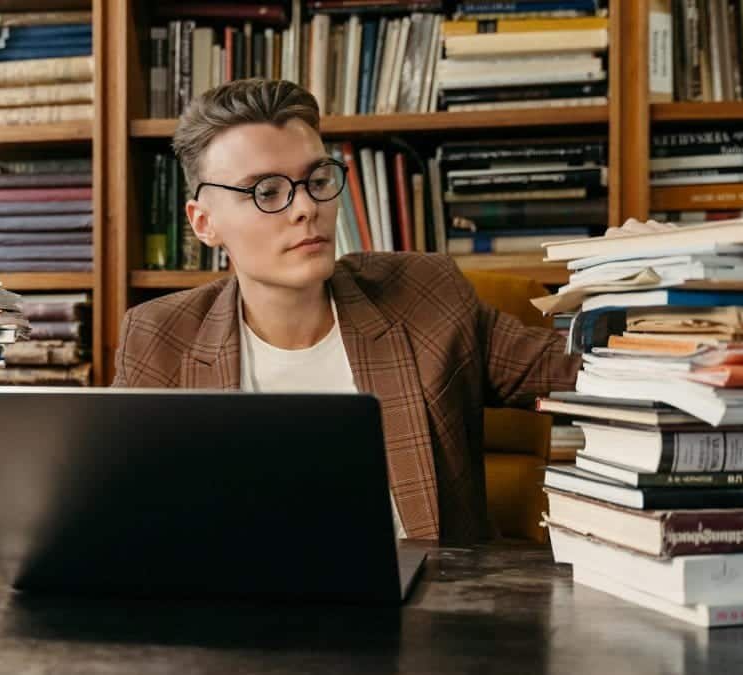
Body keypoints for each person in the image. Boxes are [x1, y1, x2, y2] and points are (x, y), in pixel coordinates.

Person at [112, 78, 581, 543]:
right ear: (204, 223)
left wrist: (644, 291)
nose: (306, 208)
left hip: (427, 607)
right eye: (266, 192)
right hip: (239, 612)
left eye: (317, 180)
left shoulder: (427, 298)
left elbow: (580, 370)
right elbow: (111, 513)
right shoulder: (159, 339)